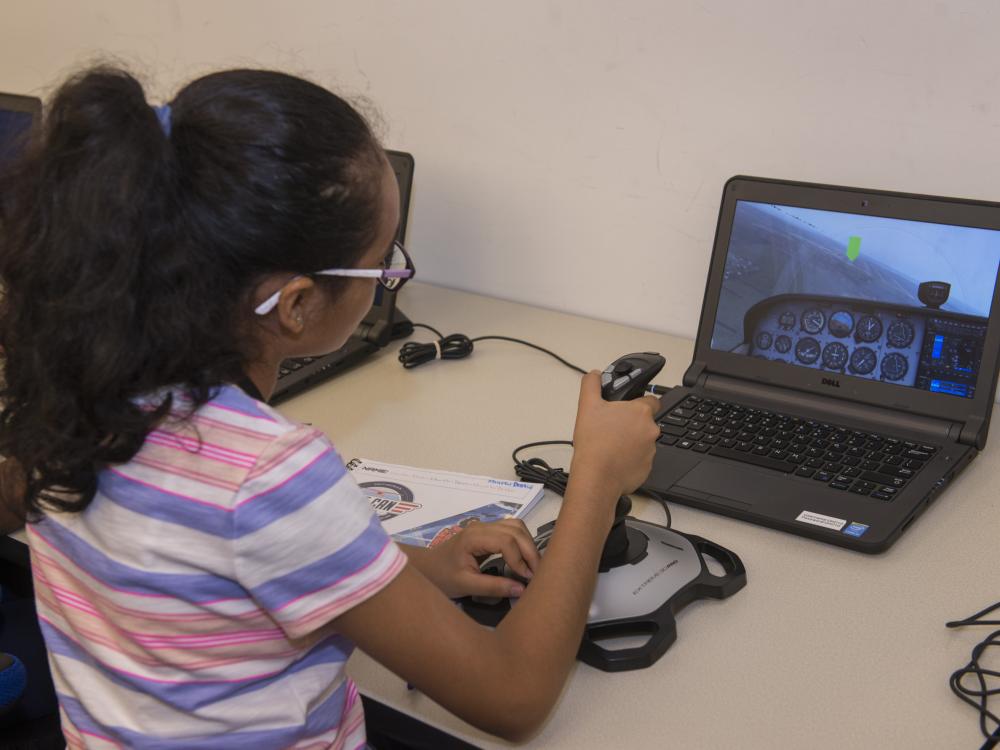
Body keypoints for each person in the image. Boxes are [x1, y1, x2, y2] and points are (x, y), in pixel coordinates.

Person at [0, 65, 660, 747]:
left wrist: (409, 567)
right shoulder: (268, 474)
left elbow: (200, 565)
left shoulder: (75, 384)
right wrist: (596, 479)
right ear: (296, 305)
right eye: (384, 262)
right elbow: (514, 697)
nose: (392, 276)